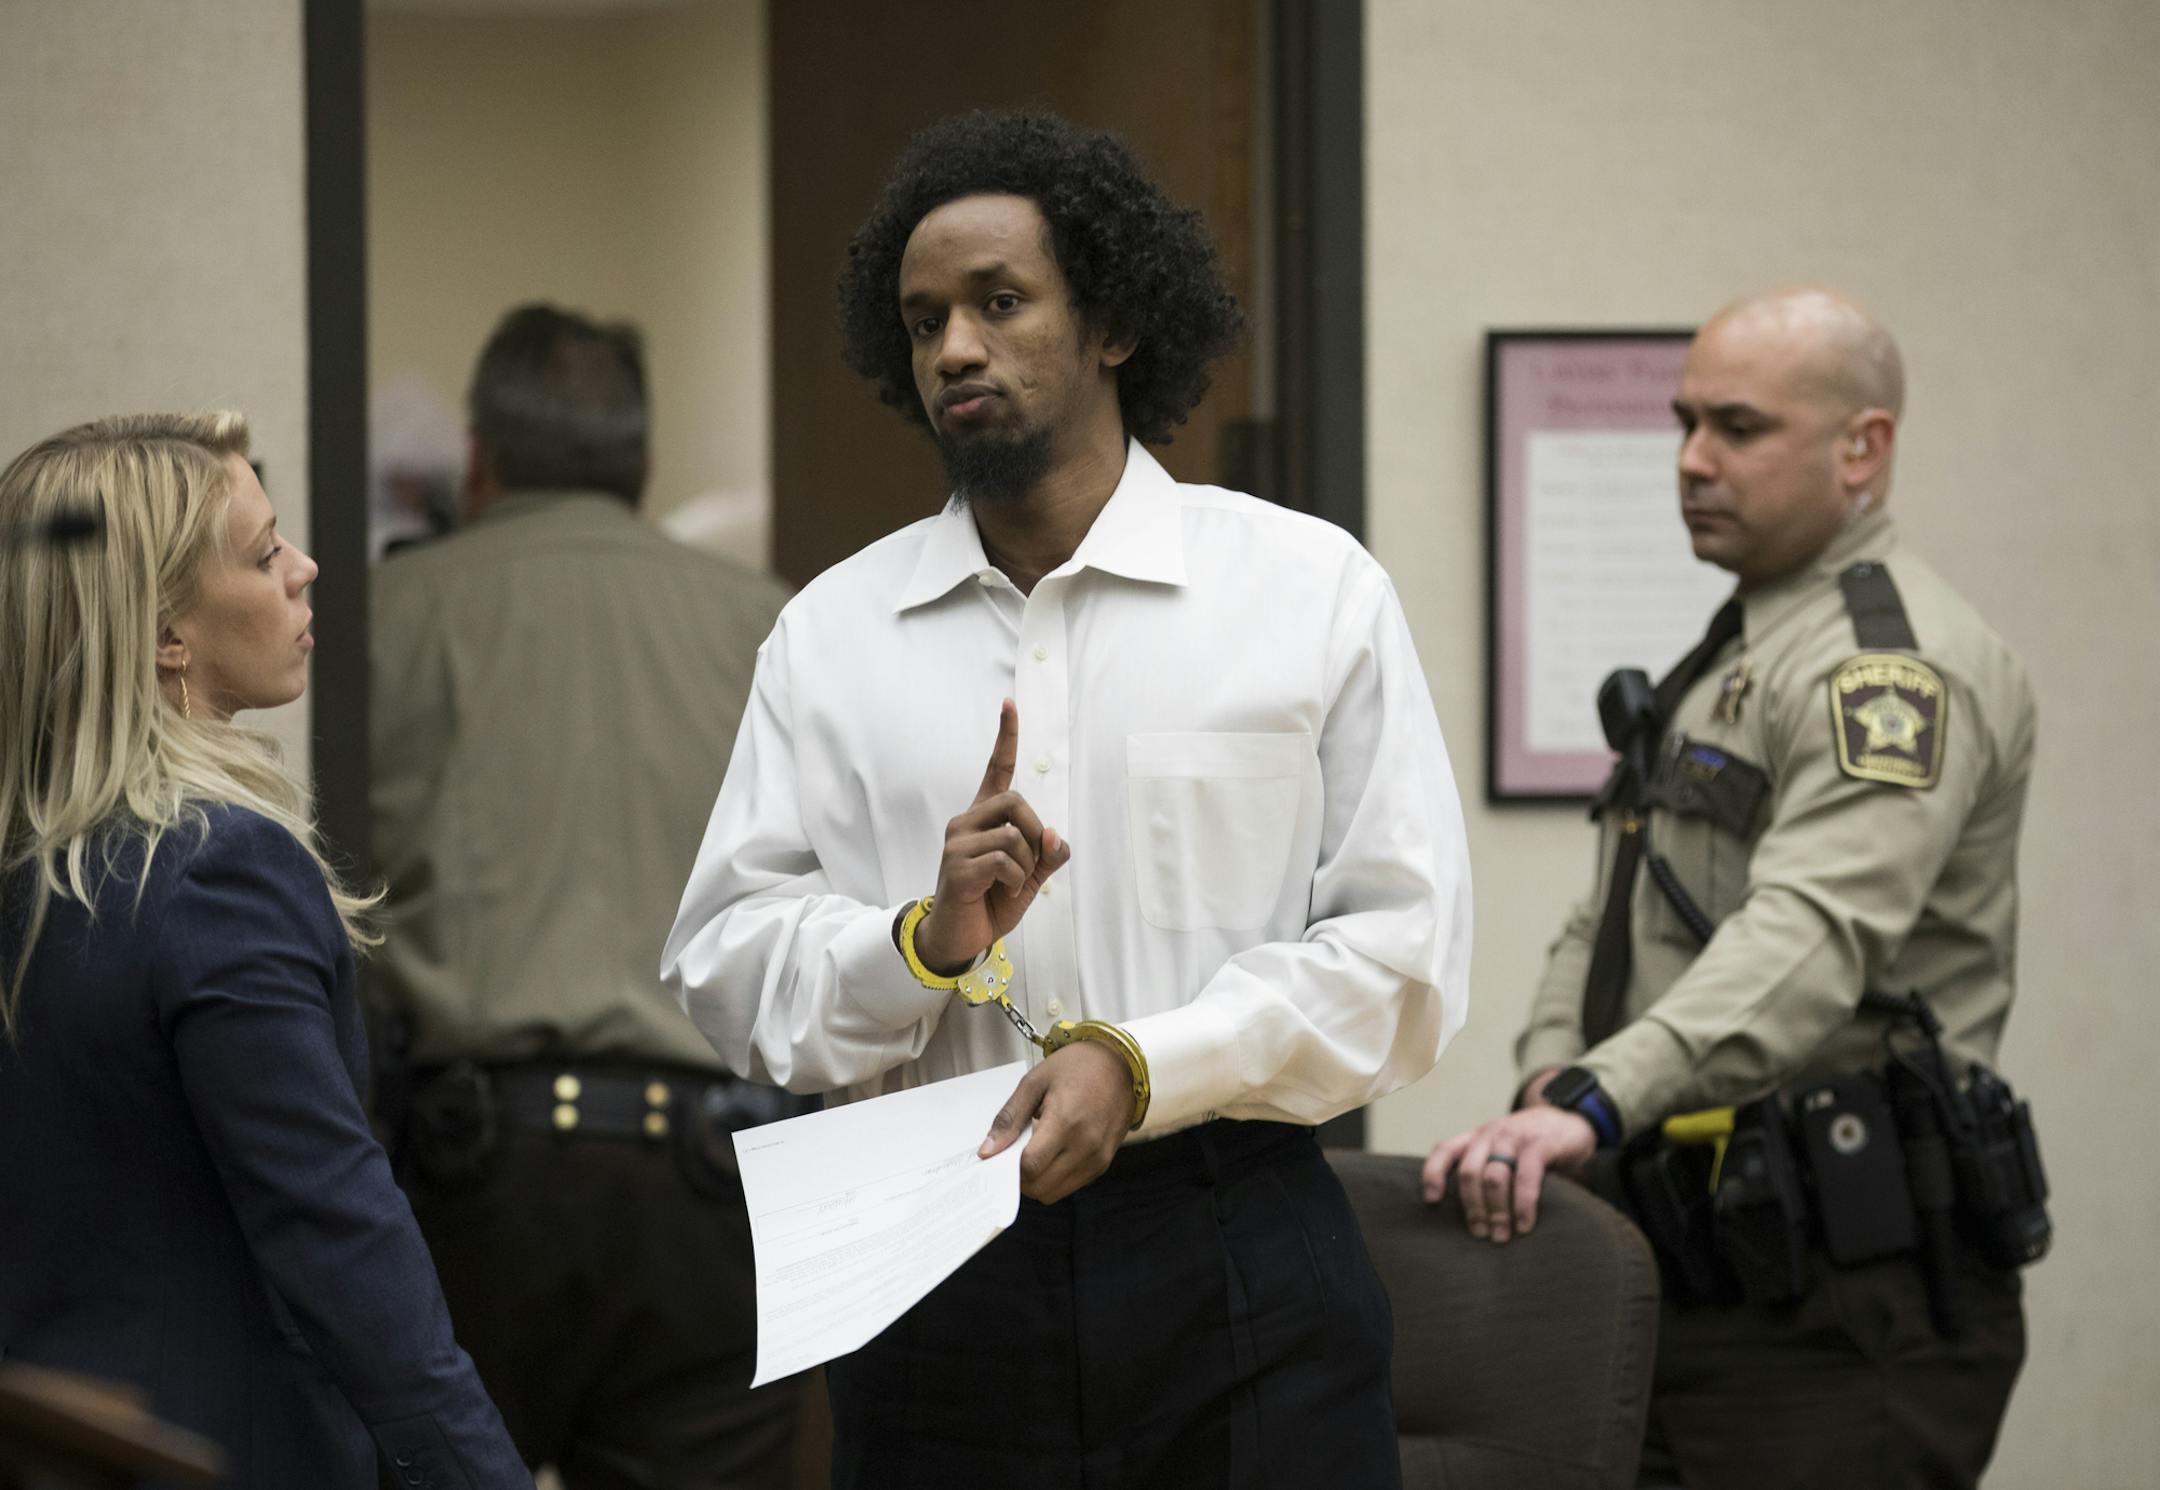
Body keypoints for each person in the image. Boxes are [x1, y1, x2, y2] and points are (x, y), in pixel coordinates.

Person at [663, 110, 1473, 1488]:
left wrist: (1145, 1064)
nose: (954, 350)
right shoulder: (834, 630)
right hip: (935, 1261)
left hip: (1239, 1253)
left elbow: (1404, 956)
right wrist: (921, 944)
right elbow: (724, 966)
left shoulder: (1306, 590)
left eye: (998, 303)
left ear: (1111, 320)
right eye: (923, 322)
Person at [1423, 288, 2038, 1489]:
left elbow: (1813, 933)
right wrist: (1555, 1066)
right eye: (1684, 422)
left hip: (1840, 1300)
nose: (1692, 461)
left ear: (1863, 448)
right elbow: (1612, 902)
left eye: (1739, 428)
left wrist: (1599, 1098)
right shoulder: (1739, 649)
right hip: (1698, 1266)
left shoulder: (1884, 663)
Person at [0, 413, 528, 1488]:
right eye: (262, 551)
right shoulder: (215, 873)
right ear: (164, 636)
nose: (306, 568)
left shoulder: (30, 872)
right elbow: (336, 1230)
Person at [369, 304, 802, 1487]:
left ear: (480, 454)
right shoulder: (768, 623)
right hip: (721, 1181)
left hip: (477, 1172)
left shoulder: (385, 615)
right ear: (641, 461)